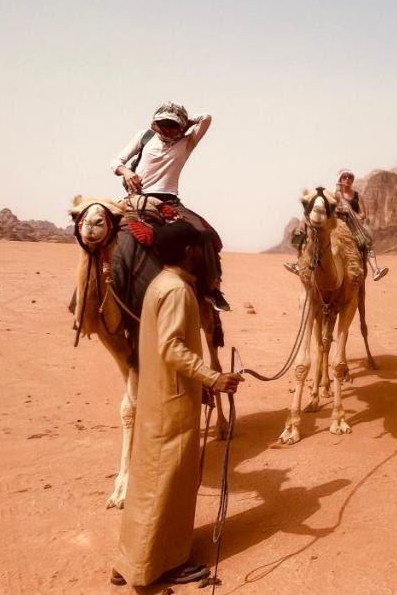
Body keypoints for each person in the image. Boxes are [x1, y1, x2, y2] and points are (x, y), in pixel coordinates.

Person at [112, 222, 243, 587]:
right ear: (189, 252)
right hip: (170, 405)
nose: (205, 256)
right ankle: (160, 565)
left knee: (149, 483)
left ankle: (130, 560)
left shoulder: (161, 285)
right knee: (166, 484)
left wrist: (198, 383)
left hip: (163, 396)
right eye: (202, 249)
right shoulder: (176, 291)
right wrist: (212, 377)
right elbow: (171, 346)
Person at [110, 102, 230, 311]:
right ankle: (86, 299)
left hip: (169, 200)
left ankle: (211, 289)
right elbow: (116, 162)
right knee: (99, 229)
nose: (166, 128)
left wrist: (186, 124)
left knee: (205, 234)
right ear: (155, 123)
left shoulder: (187, 142)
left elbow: (207, 117)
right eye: (163, 123)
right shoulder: (144, 136)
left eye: (171, 124)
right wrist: (127, 173)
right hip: (136, 197)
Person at [285, 168, 389, 281]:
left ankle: (375, 269)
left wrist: (350, 212)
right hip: (336, 224)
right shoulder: (334, 196)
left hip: (352, 225)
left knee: (366, 242)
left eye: (350, 177)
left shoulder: (357, 196)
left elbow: (363, 214)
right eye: (344, 177)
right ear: (340, 179)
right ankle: (299, 264)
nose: (347, 179)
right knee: (311, 234)